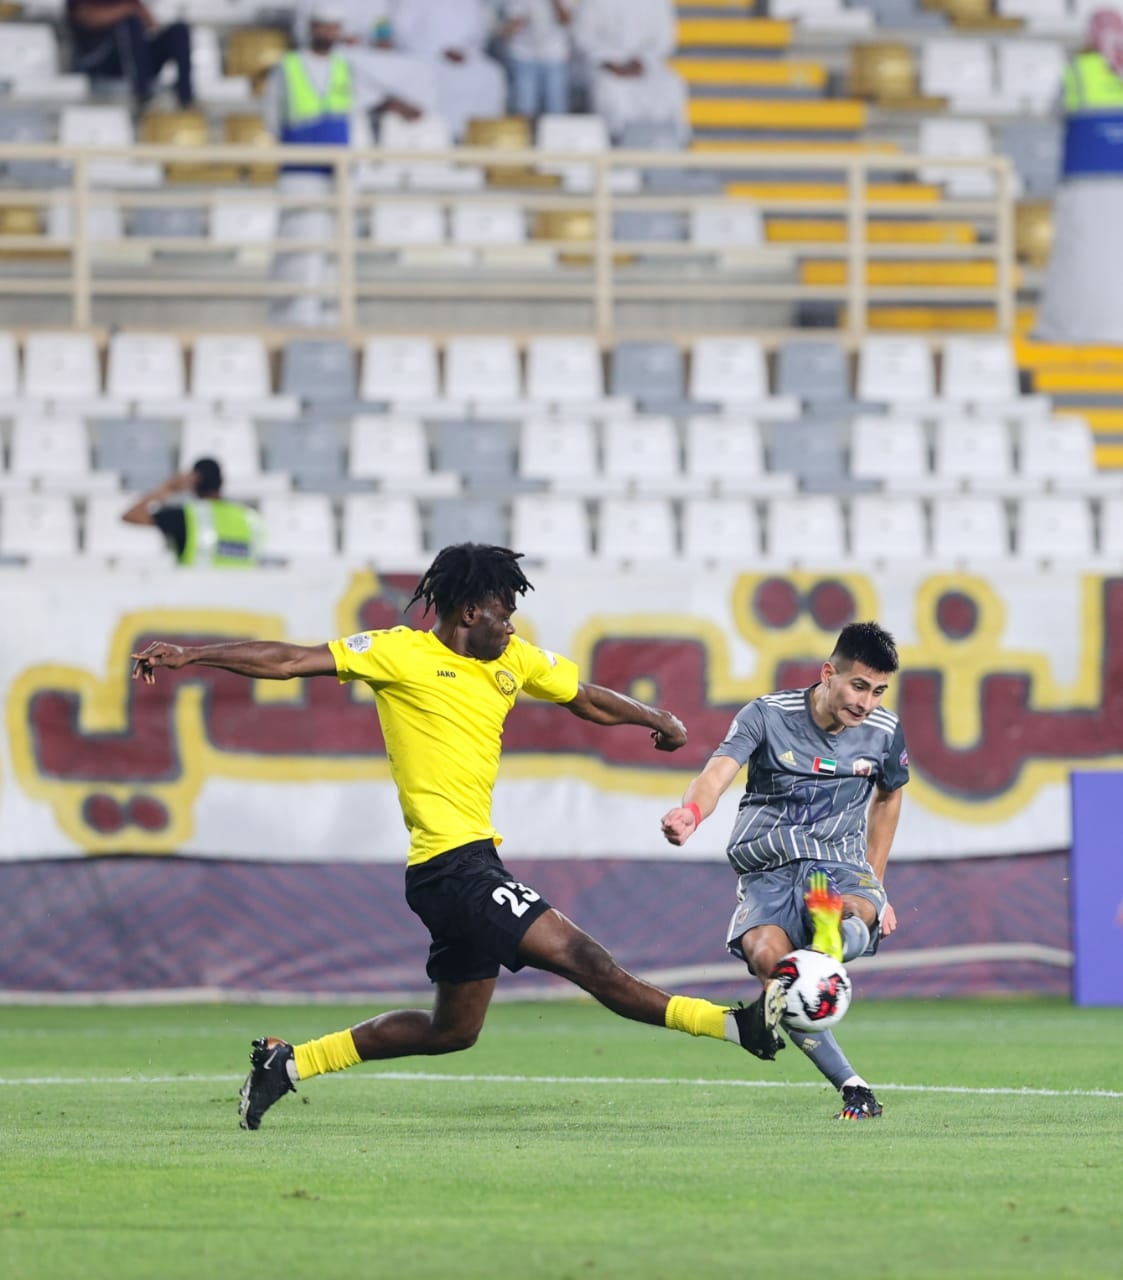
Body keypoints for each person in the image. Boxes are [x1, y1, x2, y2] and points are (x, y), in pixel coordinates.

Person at [130, 543, 787, 1130]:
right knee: (585, 960)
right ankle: (735, 1026)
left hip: (461, 868)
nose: (512, 624)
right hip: (454, 869)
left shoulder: (512, 661)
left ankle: (288, 1063)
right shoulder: (398, 653)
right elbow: (289, 660)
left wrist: (659, 718)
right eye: (504, 612)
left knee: (451, 1032)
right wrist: (193, 653)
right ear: (471, 611)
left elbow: (582, 695)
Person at [661, 621, 909, 1121]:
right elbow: (717, 772)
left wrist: (877, 882)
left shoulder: (883, 732)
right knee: (775, 972)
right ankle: (856, 1088)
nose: (866, 703)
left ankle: (836, 936)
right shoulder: (766, 716)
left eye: (879, 691)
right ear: (828, 674)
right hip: (768, 868)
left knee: (857, 910)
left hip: (837, 863)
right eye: (859, 686)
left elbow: (889, 795)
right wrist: (692, 813)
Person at [262, 4, 357, 327]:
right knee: (299, 251)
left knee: (333, 255)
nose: (328, 33)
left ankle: (330, 323)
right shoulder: (288, 67)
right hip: (300, 173)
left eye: (333, 27)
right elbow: (272, 118)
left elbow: (352, 116)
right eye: (322, 26)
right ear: (311, 27)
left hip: (337, 175)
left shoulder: (345, 67)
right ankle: (293, 323)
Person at [1037, 9, 1123, 342]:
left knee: (1082, 259)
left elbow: (1053, 110)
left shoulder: (1077, 71)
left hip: (1086, 181)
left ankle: (1075, 328)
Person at [293, 0, 438, 123]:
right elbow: (304, 34)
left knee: (420, 68)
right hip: (330, 52)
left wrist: (381, 39)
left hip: (368, 52)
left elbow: (383, 25)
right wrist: (338, 37)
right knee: (347, 68)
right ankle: (385, 105)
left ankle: (411, 115)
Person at [571, 0, 688, 144]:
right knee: (607, 88)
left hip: (645, 67)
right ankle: (614, 143)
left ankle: (674, 142)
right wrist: (610, 62)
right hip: (607, 68)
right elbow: (583, 36)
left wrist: (641, 61)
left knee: (673, 84)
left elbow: (665, 39)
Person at [389, 0, 507, 138]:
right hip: (424, 56)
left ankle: (481, 136)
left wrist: (465, 52)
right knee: (425, 76)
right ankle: (438, 136)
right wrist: (438, 52)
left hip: (465, 57)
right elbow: (402, 34)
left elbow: (479, 36)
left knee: (491, 73)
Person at [121, 457, 262, 567]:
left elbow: (131, 516)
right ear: (222, 481)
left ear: (193, 482)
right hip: (243, 600)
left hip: (195, 598)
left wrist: (167, 488)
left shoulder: (186, 516)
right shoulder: (250, 517)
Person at [66, 0, 193, 111]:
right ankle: (143, 97)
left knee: (179, 30)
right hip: (100, 61)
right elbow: (85, 17)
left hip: (136, 61)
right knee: (128, 24)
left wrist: (132, 11)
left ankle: (185, 99)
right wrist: (125, 10)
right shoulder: (126, 9)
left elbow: (150, 23)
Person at [498, 0, 574, 119]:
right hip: (524, 55)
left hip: (554, 55)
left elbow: (567, 21)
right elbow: (509, 29)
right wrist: (517, 23)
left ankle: (555, 137)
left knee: (556, 106)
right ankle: (527, 136)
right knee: (525, 106)